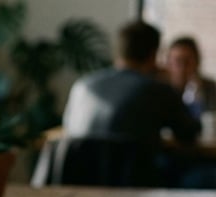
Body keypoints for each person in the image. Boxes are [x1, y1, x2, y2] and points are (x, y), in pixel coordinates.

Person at [61, 20, 201, 187]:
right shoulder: (157, 89)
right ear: (153, 55)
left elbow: (67, 127)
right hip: (137, 188)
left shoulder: (82, 86)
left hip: (78, 187)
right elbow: (189, 133)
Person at [165, 36, 216, 120]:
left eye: (187, 62)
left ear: (197, 62)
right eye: (177, 61)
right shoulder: (163, 89)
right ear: (169, 64)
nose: (182, 68)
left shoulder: (208, 87)